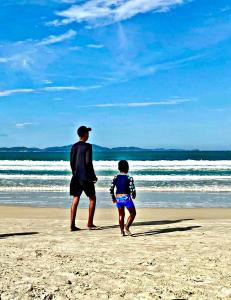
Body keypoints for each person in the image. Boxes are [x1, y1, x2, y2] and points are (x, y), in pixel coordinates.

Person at [70, 125, 98, 231]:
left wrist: (75, 173)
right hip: (86, 177)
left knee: (76, 198)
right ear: (85, 134)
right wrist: (93, 176)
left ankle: (72, 224)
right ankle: (90, 223)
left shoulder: (74, 146)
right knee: (92, 198)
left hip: (76, 176)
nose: (89, 135)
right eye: (88, 133)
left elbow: (72, 163)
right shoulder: (88, 146)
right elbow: (88, 163)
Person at [110, 160, 136, 236]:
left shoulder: (115, 177)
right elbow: (132, 188)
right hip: (126, 198)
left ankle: (122, 232)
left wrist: (113, 197)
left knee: (121, 214)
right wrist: (134, 195)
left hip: (118, 198)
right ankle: (127, 227)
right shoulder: (129, 177)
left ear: (119, 168)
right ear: (127, 168)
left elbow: (111, 188)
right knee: (133, 213)